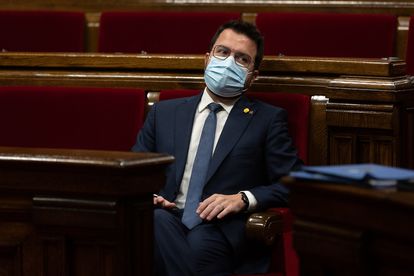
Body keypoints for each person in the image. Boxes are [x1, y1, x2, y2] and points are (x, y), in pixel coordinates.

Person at [132, 20, 302, 276]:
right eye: (223, 52)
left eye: (242, 59)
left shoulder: (267, 120)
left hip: (222, 229)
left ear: (253, 76)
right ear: (207, 58)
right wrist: (149, 196)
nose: (229, 62)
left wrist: (243, 199)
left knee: (192, 247)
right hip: (167, 217)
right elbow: (135, 172)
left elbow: (294, 183)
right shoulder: (164, 113)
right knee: (156, 222)